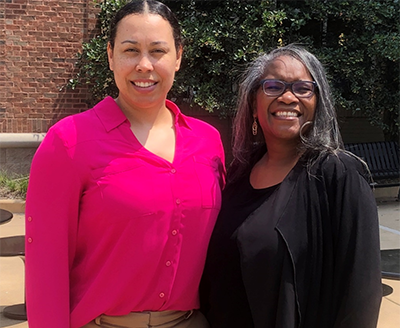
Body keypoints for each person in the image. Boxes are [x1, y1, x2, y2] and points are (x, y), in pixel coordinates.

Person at [25, 1, 225, 327]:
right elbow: (46, 266)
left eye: (158, 51)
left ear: (178, 57)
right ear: (110, 56)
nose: (144, 65)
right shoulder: (69, 142)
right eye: (130, 50)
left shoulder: (208, 141)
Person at [200, 44, 382, 328]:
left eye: (302, 88)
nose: (287, 97)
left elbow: (360, 292)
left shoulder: (338, 174)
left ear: (318, 101)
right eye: (273, 86)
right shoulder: (238, 175)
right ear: (253, 102)